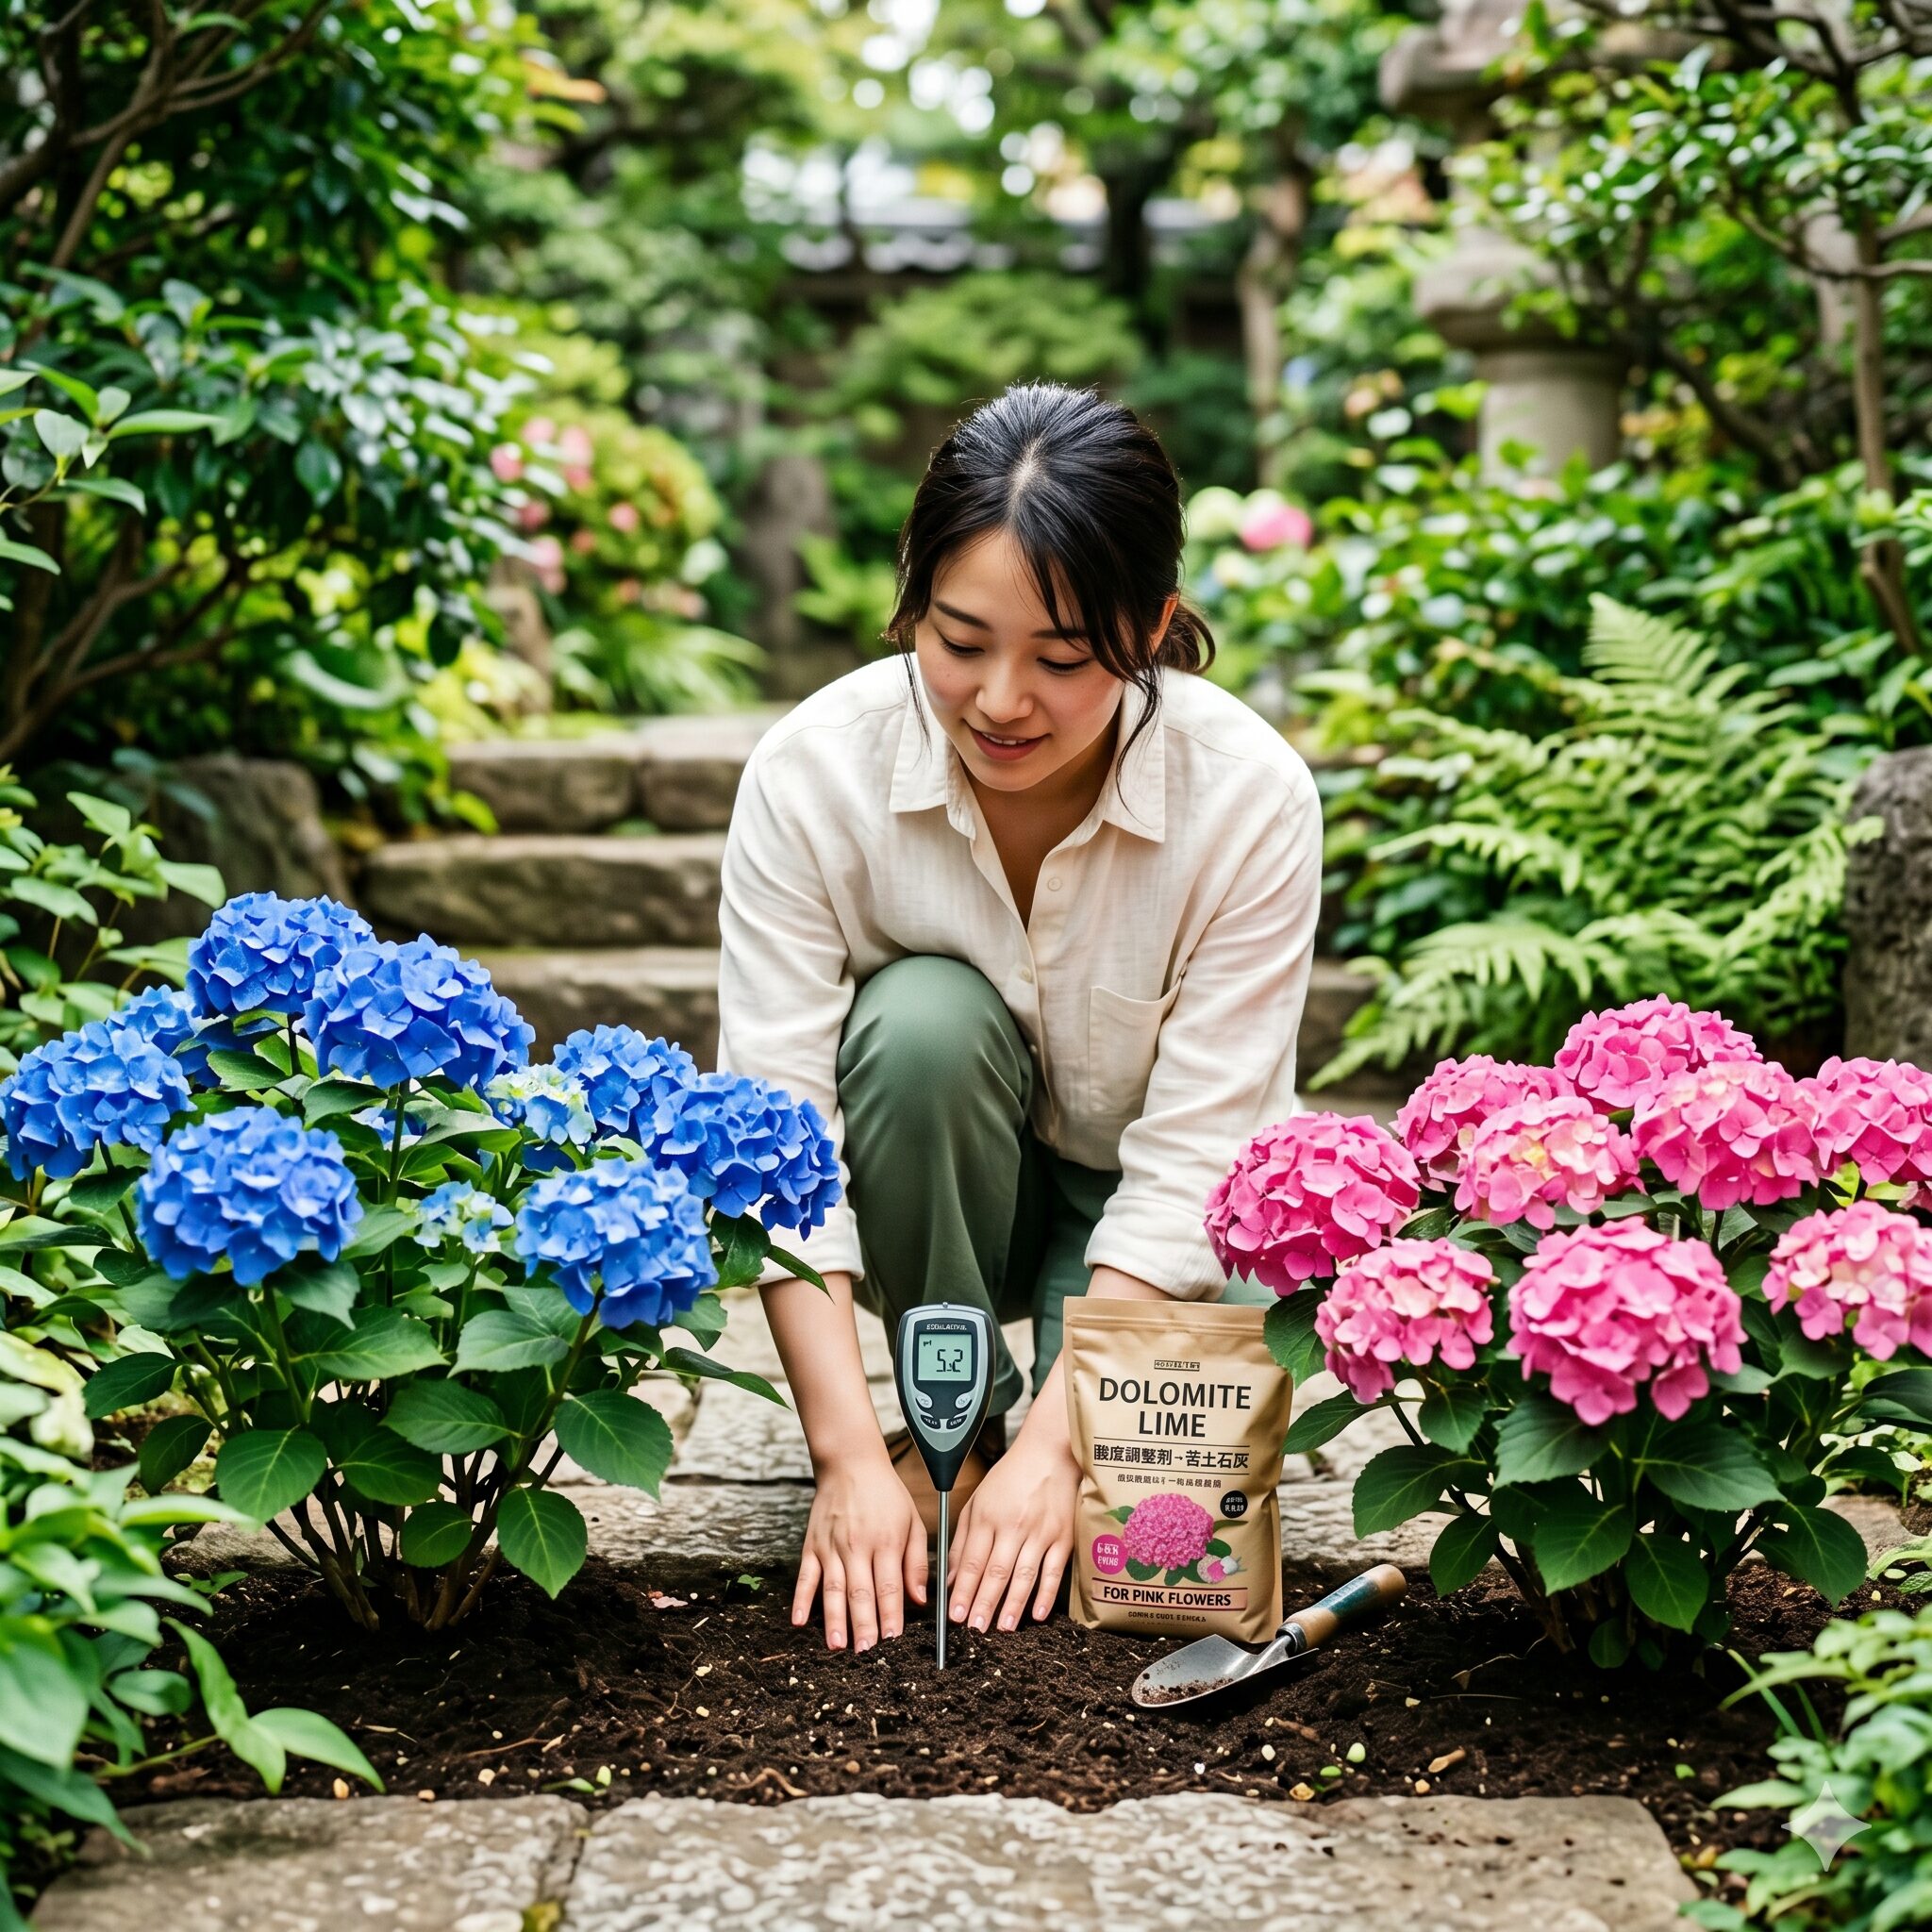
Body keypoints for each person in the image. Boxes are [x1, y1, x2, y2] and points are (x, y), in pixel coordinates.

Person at [715, 381, 1323, 1653]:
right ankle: (949, 1419)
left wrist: (1066, 1443)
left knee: (1150, 1558)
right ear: (910, 602)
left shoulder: (1248, 797)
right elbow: (770, 1125)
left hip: (1150, 1220)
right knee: (921, 1021)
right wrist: (842, 1461)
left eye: (1061, 658)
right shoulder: (813, 771)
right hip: (932, 1192)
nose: (1000, 700)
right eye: (958, 639)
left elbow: (1201, 1153)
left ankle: (1017, 1434)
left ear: (1152, 629)